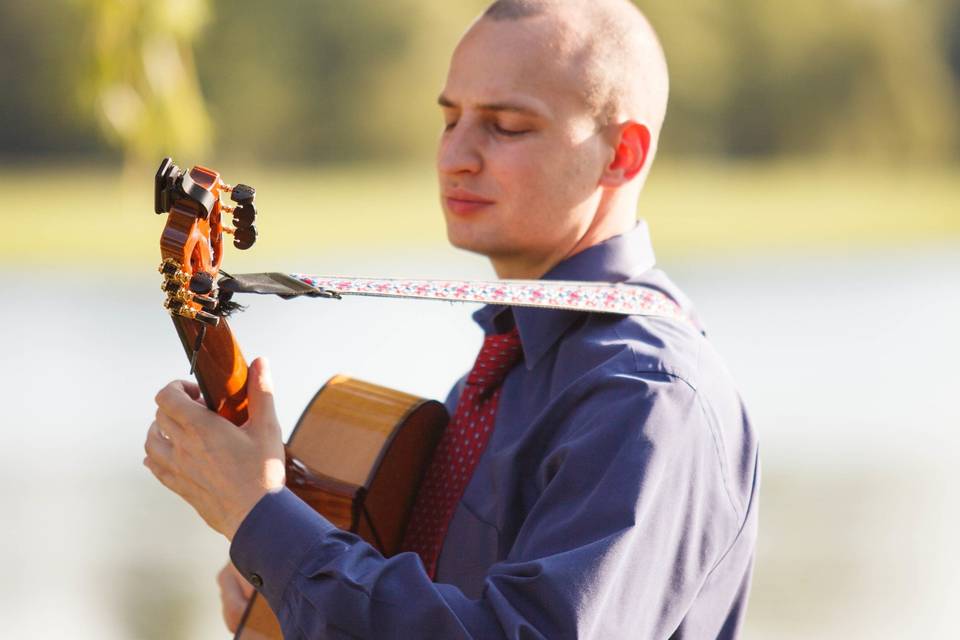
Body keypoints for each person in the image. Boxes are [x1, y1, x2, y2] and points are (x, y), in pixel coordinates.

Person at [144, 0, 760, 638]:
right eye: (450, 119)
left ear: (622, 154)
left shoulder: (649, 397)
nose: (455, 157)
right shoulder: (505, 365)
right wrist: (287, 583)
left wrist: (262, 518)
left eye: (507, 126)